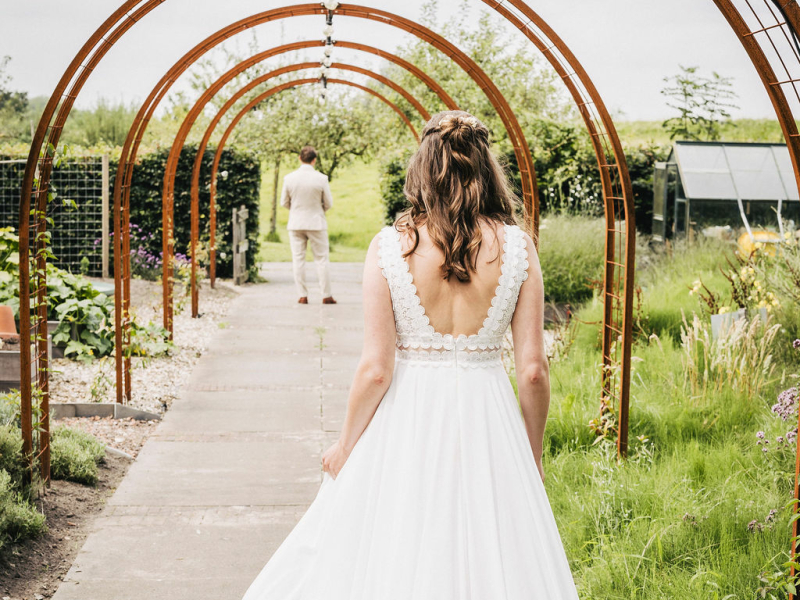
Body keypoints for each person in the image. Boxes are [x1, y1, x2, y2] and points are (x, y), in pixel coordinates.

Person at [242, 111, 579, 599]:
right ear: (486, 170)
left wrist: (345, 445)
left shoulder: (388, 248)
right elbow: (532, 371)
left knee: (397, 544)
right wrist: (532, 454)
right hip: (491, 420)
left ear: (422, 169)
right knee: (497, 552)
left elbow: (376, 371)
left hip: (409, 419)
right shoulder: (519, 248)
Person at [280, 145, 337, 304]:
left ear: (300, 158)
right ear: (314, 160)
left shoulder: (289, 178)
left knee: (298, 259)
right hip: (316, 222)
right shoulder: (321, 178)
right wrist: (319, 210)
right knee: (322, 259)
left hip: (296, 223)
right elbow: (328, 203)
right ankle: (326, 295)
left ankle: (302, 295)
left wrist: (296, 210)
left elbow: (284, 202)